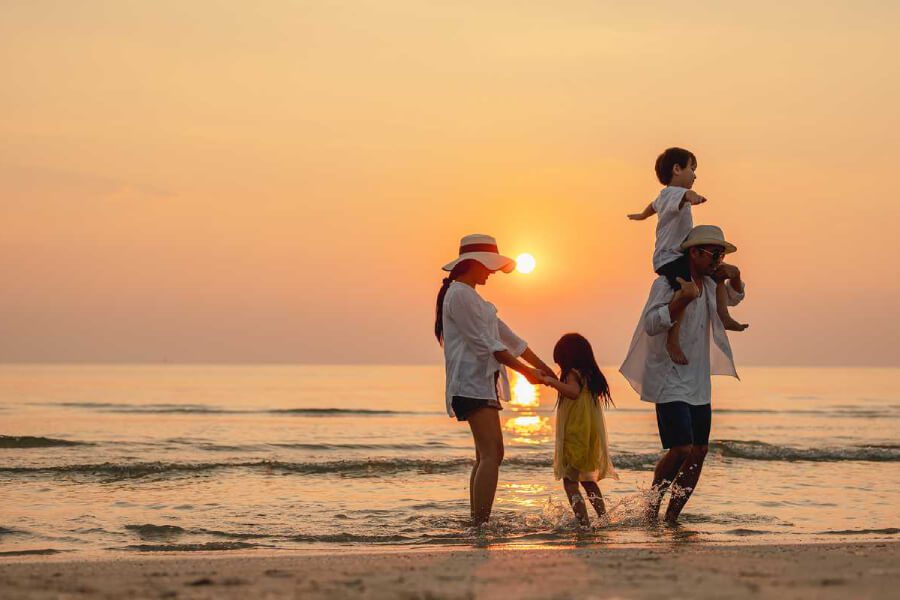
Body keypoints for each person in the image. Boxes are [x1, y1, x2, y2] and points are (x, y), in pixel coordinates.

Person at [620, 225, 746, 523]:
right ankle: (651, 508)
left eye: (721, 253)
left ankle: (672, 517)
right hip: (669, 378)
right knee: (680, 448)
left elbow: (734, 298)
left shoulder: (710, 284)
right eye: (714, 253)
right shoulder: (668, 284)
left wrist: (736, 274)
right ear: (694, 252)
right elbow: (652, 323)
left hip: (699, 382)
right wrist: (682, 298)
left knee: (699, 450)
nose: (718, 259)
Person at [435, 234, 555, 526]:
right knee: (492, 454)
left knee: (487, 455)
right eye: (488, 266)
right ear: (473, 264)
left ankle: (477, 521)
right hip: (470, 383)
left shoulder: (472, 297)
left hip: (481, 383)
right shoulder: (460, 294)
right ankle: (480, 524)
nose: (491, 272)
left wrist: (545, 368)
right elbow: (488, 345)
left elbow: (509, 338)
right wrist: (528, 374)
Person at [628, 147, 748, 365]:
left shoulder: (663, 198)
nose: (695, 174)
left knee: (718, 275)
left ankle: (724, 316)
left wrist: (642, 215)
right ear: (676, 169)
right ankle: (672, 340)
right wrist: (694, 197)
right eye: (692, 168)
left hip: (678, 256)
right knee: (686, 292)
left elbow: (652, 207)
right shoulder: (673, 194)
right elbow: (686, 195)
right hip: (670, 258)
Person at [541, 333, 617, 527]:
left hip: (575, 433)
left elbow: (573, 393)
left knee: (570, 481)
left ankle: (583, 523)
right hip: (588, 434)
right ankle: (603, 518)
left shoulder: (572, 374)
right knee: (588, 481)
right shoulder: (589, 375)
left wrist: (551, 382)